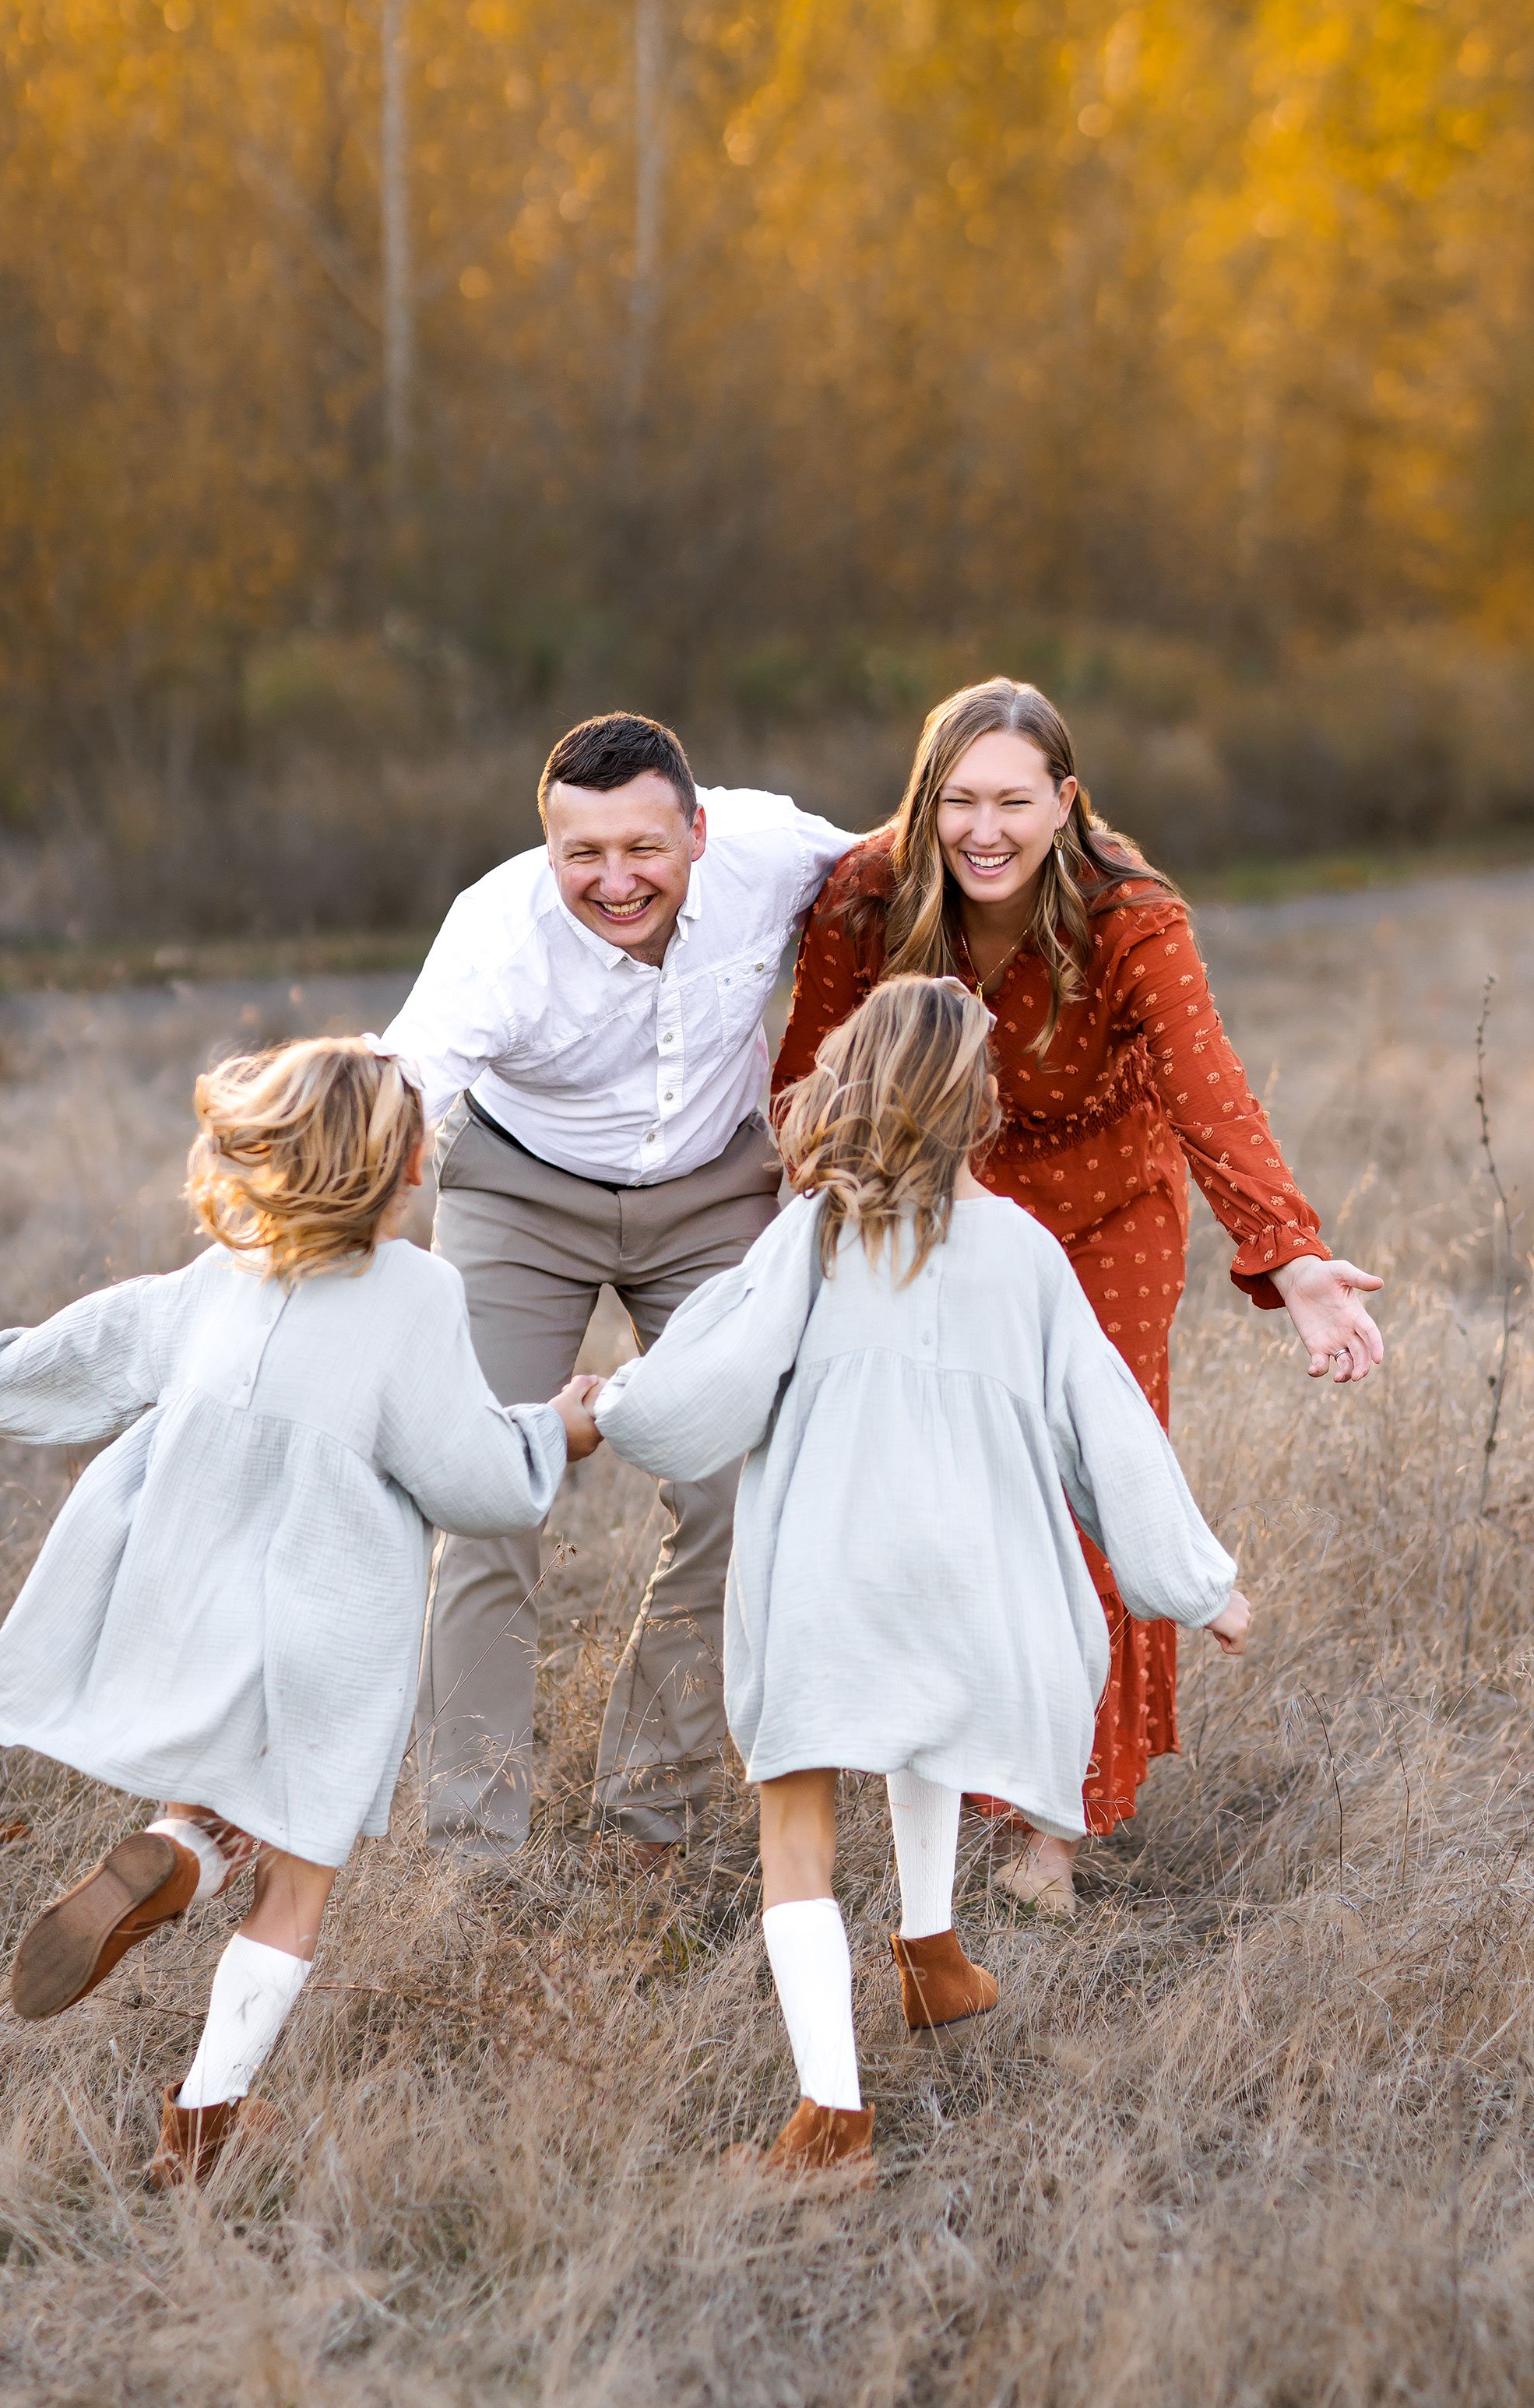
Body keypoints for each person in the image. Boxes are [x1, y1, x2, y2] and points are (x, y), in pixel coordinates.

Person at [0, 1039, 601, 2187]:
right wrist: (557, 1435)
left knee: (220, 1801)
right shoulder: (418, 1292)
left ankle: (173, 1855)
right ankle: (203, 2126)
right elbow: (466, 1473)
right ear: (405, 1166)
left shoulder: (229, 1266)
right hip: (328, 1619)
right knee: (298, 1873)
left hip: (190, 1596)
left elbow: (109, 1335)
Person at [591, 978, 1251, 2177]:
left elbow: (710, 1387)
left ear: (853, 1086)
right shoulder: (1029, 1253)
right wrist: (1198, 1584)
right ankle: (933, 1954)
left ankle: (830, 2116)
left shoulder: (818, 1232)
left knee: (796, 1825)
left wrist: (615, 1404)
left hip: (830, 1569)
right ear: (980, 1110)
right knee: (929, 1729)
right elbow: (1106, 1424)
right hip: (971, 1576)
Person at [770, 678, 1382, 1915]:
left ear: (1065, 800)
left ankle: (1054, 1826)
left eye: (1013, 801)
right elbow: (808, 1086)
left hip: (1109, 1206)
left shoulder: (1130, 914)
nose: (984, 831)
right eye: (959, 802)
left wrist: (1292, 1252)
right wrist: (809, 1243)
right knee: (953, 1492)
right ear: (925, 801)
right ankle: (948, 1768)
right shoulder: (868, 897)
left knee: (1089, 1484)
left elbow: (1209, 1092)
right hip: (937, 1200)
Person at [378, 711, 851, 1862]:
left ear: (698, 829)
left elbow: (921, 867)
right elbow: (397, 1095)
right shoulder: (497, 934)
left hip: (713, 1185)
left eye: (644, 848)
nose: (616, 880)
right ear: (547, 847)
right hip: (521, 1191)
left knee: (741, 1490)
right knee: (488, 1494)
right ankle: (473, 1851)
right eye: (581, 853)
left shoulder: (773, 849)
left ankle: (652, 1813)